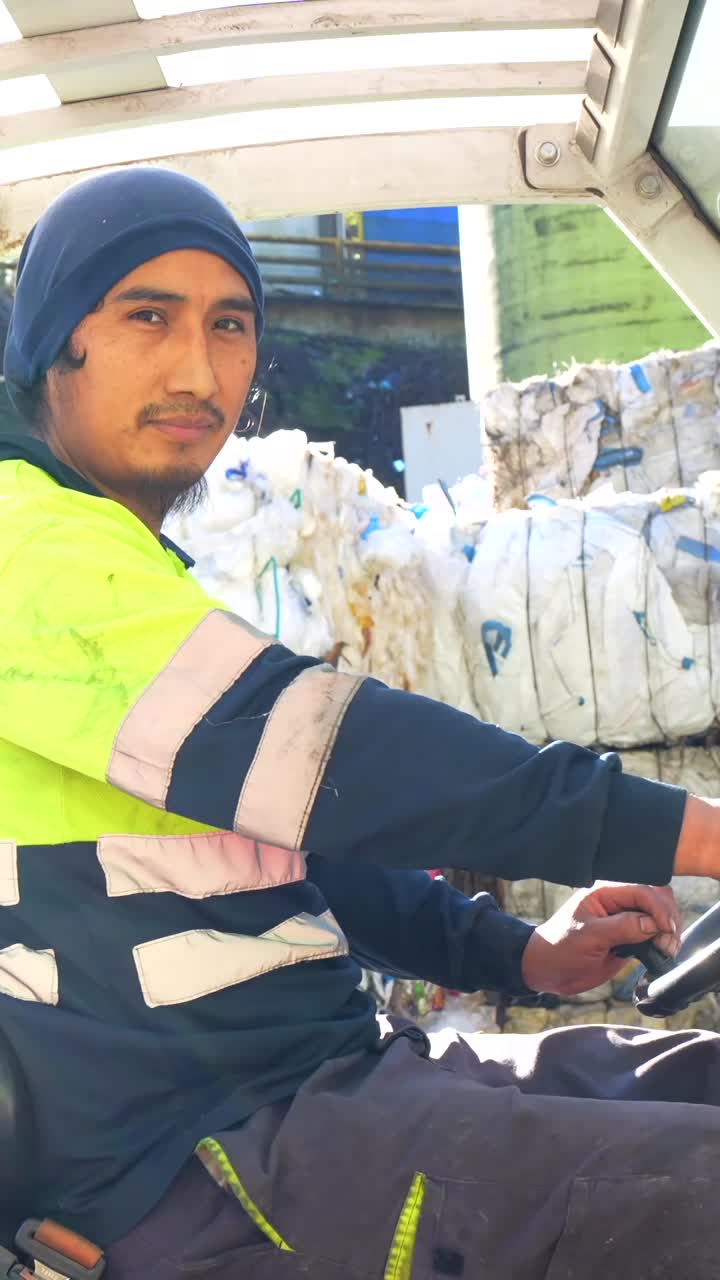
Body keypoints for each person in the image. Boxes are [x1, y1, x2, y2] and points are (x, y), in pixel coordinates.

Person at [2, 167, 720, 1280]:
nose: (198, 370)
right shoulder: (23, 546)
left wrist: (519, 951)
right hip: (209, 1160)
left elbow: (284, 847)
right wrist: (697, 832)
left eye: (229, 325)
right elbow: (340, 757)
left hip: (320, 1096)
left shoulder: (117, 559)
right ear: (58, 340)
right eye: (148, 315)